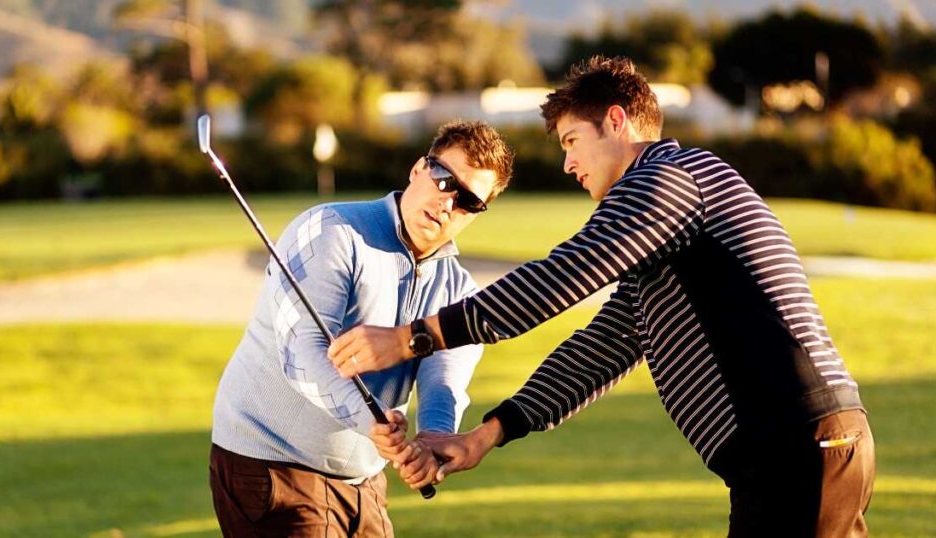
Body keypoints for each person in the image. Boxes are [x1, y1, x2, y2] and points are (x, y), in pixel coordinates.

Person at [328, 56, 875, 537]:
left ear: (616, 120)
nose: (568, 163)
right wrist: (489, 434)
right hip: (795, 451)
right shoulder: (663, 237)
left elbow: (562, 276)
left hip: (795, 446)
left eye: (572, 141)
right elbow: (602, 348)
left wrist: (412, 338)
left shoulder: (671, 178)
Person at [209, 120, 514, 537]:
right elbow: (302, 354)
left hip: (361, 478)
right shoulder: (332, 230)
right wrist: (366, 421)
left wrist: (432, 442)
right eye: (444, 180)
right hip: (272, 464)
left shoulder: (457, 287)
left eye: (468, 201)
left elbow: (444, 377)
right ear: (418, 169)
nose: (448, 203)